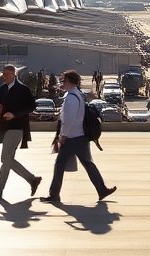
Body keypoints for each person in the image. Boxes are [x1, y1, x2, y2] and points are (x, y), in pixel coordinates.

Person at [40, 70, 116, 205]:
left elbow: (69, 119)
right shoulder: (77, 94)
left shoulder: (71, 98)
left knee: (59, 165)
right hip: (80, 136)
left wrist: (62, 136)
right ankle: (102, 189)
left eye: (64, 80)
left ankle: (54, 195)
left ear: (69, 82)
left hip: (72, 137)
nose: (62, 82)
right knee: (88, 163)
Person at [0, 64, 41, 201]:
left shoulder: (23, 89)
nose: (3, 76)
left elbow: (31, 106)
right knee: (7, 161)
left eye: (5, 74)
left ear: (13, 74)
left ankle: (29, 180)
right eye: (2, 74)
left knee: (5, 159)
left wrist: (15, 115)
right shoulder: (2, 89)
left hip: (17, 127)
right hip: (5, 127)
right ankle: (30, 180)